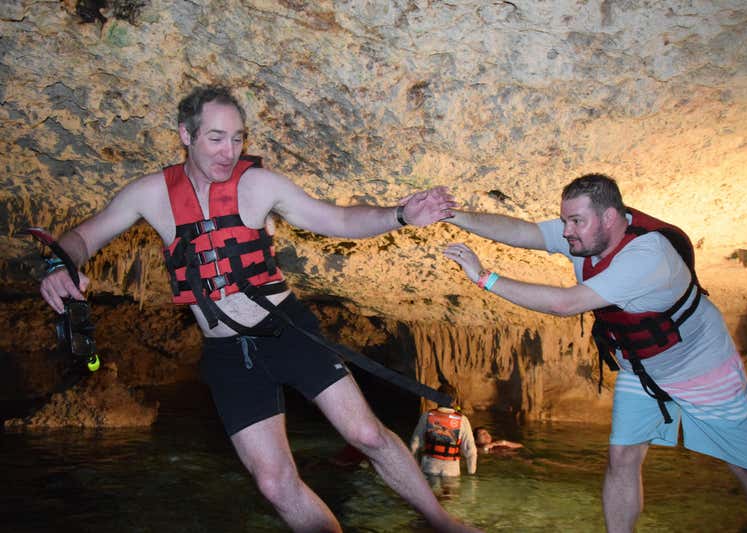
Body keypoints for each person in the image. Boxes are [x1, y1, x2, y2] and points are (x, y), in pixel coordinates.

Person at [38, 85, 480, 533]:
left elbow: (338, 220)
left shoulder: (258, 185)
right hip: (228, 355)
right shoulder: (150, 195)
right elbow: (82, 238)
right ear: (185, 136)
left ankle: (444, 524)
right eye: (215, 137)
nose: (229, 151)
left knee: (365, 435)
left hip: (286, 330)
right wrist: (60, 264)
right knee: (273, 482)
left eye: (237, 138)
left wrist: (400, 215)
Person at [441, 173, 747, 533]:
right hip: (640, 370)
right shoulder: (587, 235)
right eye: (565, 220)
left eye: (575, 221)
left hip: (701, 368)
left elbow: (566, 304)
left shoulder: (648, 255)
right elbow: (524, 233)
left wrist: (484, 277)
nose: (566, 231)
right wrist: (450, 214)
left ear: (610, 217)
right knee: (622, 458)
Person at [409, 384, 477, 477]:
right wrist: (471, 474)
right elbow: (471, 450)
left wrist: (415, 467)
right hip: (451, 471)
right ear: (454, 401)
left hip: (430, 468)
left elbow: (414, 445)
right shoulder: (462, 420)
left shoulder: (427, 416)